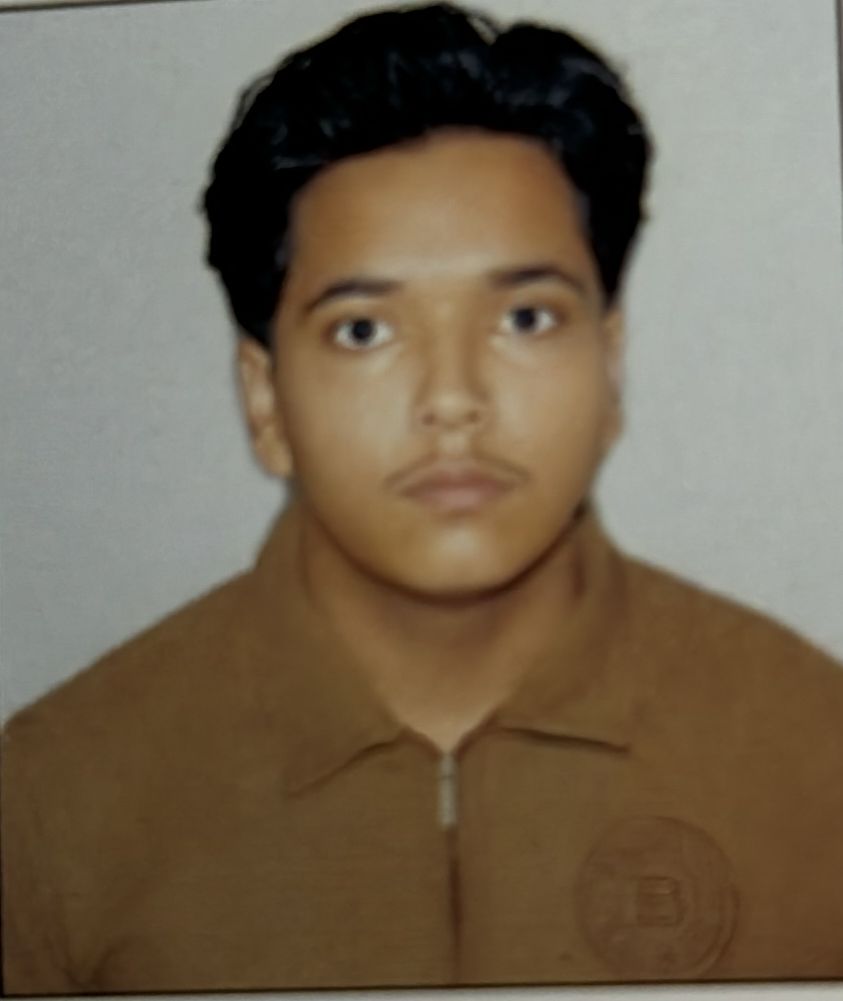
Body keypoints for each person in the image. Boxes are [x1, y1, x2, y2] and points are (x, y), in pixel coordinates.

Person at [3, 1, 842, 993]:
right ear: (264, 398)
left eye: (526, 317)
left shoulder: (813, 742)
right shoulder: (48, 803)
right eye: (364, 329)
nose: (451, 399)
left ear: (609, 365)